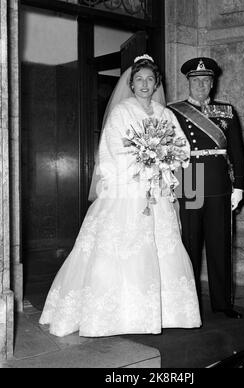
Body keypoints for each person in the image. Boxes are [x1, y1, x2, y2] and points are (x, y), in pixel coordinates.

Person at [39, 55, 201, 337]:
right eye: (139, 79)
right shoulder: (121, 112)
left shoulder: (166, 115)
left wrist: (165, 160)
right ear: (131, 83)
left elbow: (182, 149)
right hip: (127, 191)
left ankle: (166, 313)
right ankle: (113, 315)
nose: (144, 84)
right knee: (120, 249)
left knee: (162, 247)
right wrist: (142, 164)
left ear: (157, 83)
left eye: (150, 79)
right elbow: (111, 150)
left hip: (157, 192)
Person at [169, 57, 244, 319]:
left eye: (205, 80)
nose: (201, 84)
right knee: (190, 243)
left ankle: (223, 303)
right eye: (195, 80)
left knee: (219, 245)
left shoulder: (227, 111)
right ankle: (188, 304)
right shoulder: (174, 111)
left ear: (212, 83)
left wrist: (239, 186)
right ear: (188, 83)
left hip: (218, 181)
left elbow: (236, 150)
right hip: (189, 178)